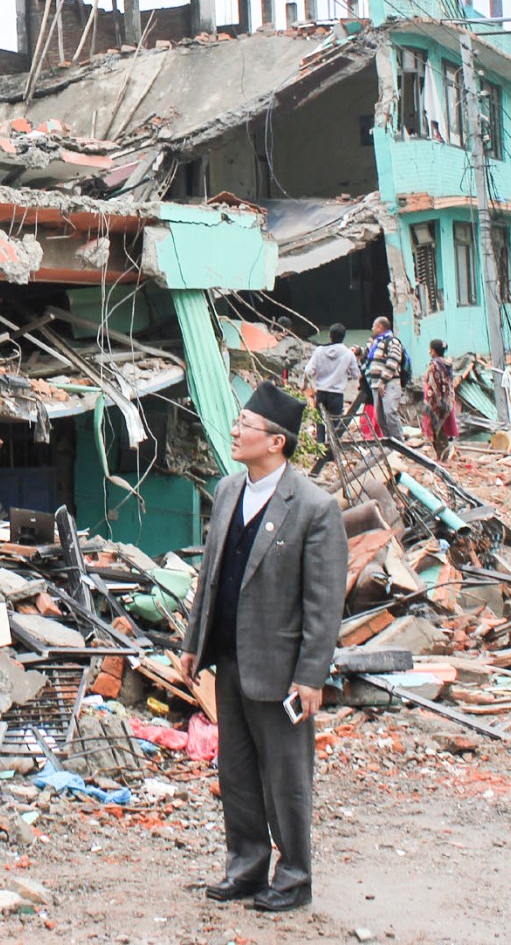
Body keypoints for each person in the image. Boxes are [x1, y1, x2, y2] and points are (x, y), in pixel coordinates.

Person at [177, 382, 349, 912]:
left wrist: (311, 676)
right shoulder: (229, 490)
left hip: (280, 669)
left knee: (286, 777)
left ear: (276, 441)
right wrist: (193, 642)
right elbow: (210, 575)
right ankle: (246, 867)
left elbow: (324, 604)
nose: (235, 432)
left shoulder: (315, 509)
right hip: (229, 658)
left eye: (245, 425)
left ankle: (294, 877)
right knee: (237, 774)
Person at [300, 323, 358, 453]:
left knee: (320, 422)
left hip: (321, 393)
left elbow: (308, 371)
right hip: (337, 394)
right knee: (335, 424)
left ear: (330, 336)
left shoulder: (319, 351)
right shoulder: (348, 354)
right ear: (343, 337)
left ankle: (320, 451)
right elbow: (355, 374)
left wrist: (305, 385)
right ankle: (333, 451)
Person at [363, 316, 406, 439]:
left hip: (389, 384)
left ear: (380, 327)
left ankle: (399, 443)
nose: (372, 329)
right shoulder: (377, 343)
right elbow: (368, 355)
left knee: (390, 413)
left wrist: (383, 381)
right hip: (377, 385)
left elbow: (393, 360)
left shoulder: (393, 342)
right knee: (381, 417)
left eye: (374, 326)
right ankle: (389, 442)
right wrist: (358, 351)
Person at [421, 338, 459, 461]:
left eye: (430, 349)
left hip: (436, 402)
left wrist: (430, 403)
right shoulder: (447, 364)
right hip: (447, 401)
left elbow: (433, 385)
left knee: (436, 430)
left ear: (433, 351)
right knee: (441, 429)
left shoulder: (434, 366)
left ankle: (443, 456)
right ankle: (443, 455)